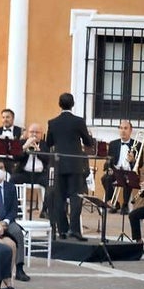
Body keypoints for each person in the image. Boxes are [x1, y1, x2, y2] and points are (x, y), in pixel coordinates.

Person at [46, 92, 96, 240]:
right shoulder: (79, 121)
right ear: (73, 104)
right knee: (76, 197)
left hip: (59, 164)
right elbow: (88, 142)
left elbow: (49, 142)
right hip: (75, 164)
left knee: (59, 198)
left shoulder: (52, 122)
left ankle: (62, 230)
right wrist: (88, 137)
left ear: (59, 104)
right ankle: (74, 230)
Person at [102, 120, 140, 211]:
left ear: (130, 130)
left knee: (128, 179)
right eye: (121, 128)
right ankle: (114, 202)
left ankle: (125, 205)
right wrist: (109, 168)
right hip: (116, 171)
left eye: (125, 128)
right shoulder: (113, 144)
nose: (123, 131)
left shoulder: (138, 144)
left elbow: (140, 164)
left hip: (129, 171)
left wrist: (133, 160)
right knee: (105, 178)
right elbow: (109, 160)